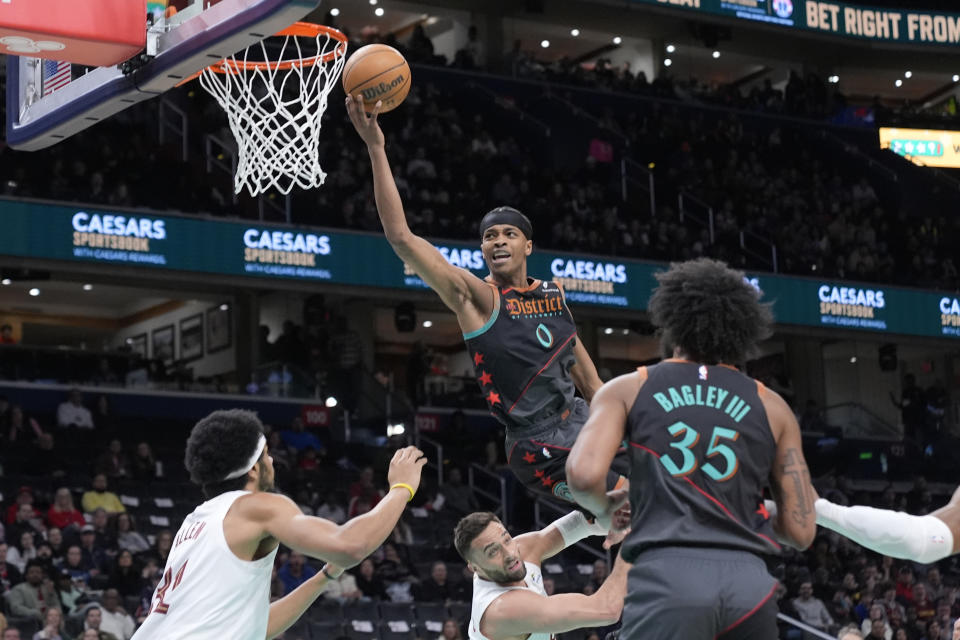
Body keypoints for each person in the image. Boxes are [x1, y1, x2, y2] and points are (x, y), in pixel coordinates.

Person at [346, 93, 627, 518]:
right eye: (490, 235)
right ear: (481, 248)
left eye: (508, 234)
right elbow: (401, 238)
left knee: (661, 476)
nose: (498, 241)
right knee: (625, 502)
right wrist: (376, 146)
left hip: (580, 419)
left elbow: (586, 375)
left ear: (527, 244)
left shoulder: (553, 295)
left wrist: (618, 422)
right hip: (536, 445)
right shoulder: (474, 298)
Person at [565, 258, 818, 639]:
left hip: (669, 578)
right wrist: (741, 509)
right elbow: (801, 531)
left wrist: (608, 507)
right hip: (749, 587)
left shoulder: (629, 388)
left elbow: (583, 477)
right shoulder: (773, 406)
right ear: (741, 329)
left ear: (671, 321)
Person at [131, 408, 426, 639]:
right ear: (253, 469)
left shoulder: (194, 523)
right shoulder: (256, 506)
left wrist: (325, 575)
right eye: (267, 455)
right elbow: (351, 545)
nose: (273, 463)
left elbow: (257, 627)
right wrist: (401, 488)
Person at [453, 511, 629, 640]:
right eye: (493, 552)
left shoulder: (519, 547)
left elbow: (579, 524)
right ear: (474, 568)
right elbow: (607, 610)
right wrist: (637, 536)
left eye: (507, 539)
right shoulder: (503, 609)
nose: (510, 554)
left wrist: (620, 514)